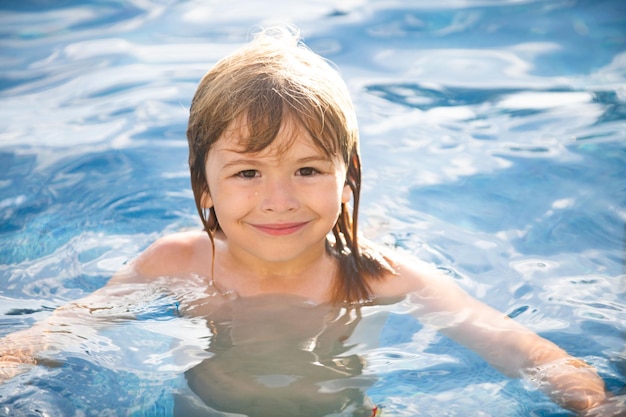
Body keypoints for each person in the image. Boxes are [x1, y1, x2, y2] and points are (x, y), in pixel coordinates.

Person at [0, 26, 615, 416]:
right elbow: (54, 335)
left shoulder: (382, 276)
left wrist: (592, 402)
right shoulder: (178, 262)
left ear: (348, 177)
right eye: (247, 174)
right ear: (202, 187)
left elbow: (515, 346)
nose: (279, 200)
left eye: (308, 170)